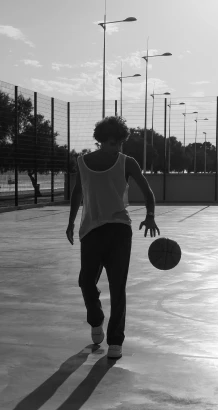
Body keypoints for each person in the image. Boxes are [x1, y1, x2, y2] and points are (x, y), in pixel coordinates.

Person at [66, 116, 159, 360]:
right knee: (86, 281)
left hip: (119, 229)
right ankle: (96, 319)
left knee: (118, 286)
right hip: (91, 230)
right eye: (111, 142)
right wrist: (70, 221)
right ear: (100, 140)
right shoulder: (82, 162)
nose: (116, 146)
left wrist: (150, 215)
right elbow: (78, 192)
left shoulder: (127, 162)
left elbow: (147, 190)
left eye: (119, 142)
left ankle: (115, 340)